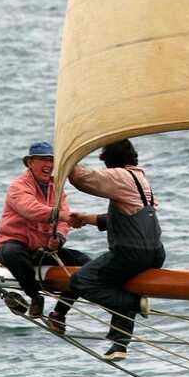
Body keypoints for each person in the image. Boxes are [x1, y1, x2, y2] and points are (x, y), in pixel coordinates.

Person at [68, 139, 165, 361]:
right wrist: (86, 219)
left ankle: (135, 303)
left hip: (130, 253)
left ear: (111, 160)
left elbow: (82, 179)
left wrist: (67, 161)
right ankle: (120, 343)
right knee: (119, 286)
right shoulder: (141, 179)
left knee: (81, 282)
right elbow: (125, 216)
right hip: (154, 252)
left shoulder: (119, 175)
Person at [0, 141, 90, 334]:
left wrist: (59, 239)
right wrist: (63, 216)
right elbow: (30, 210)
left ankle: (59, 313)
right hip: (17, 245)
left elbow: (63, 224)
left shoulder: (57, 188)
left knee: (87, 265)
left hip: (44, 250)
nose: (48, 165)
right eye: (42, 160)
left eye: (51, 160)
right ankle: (35, 296)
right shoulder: (18, 186)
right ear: (29, 163)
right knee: (12, 252)